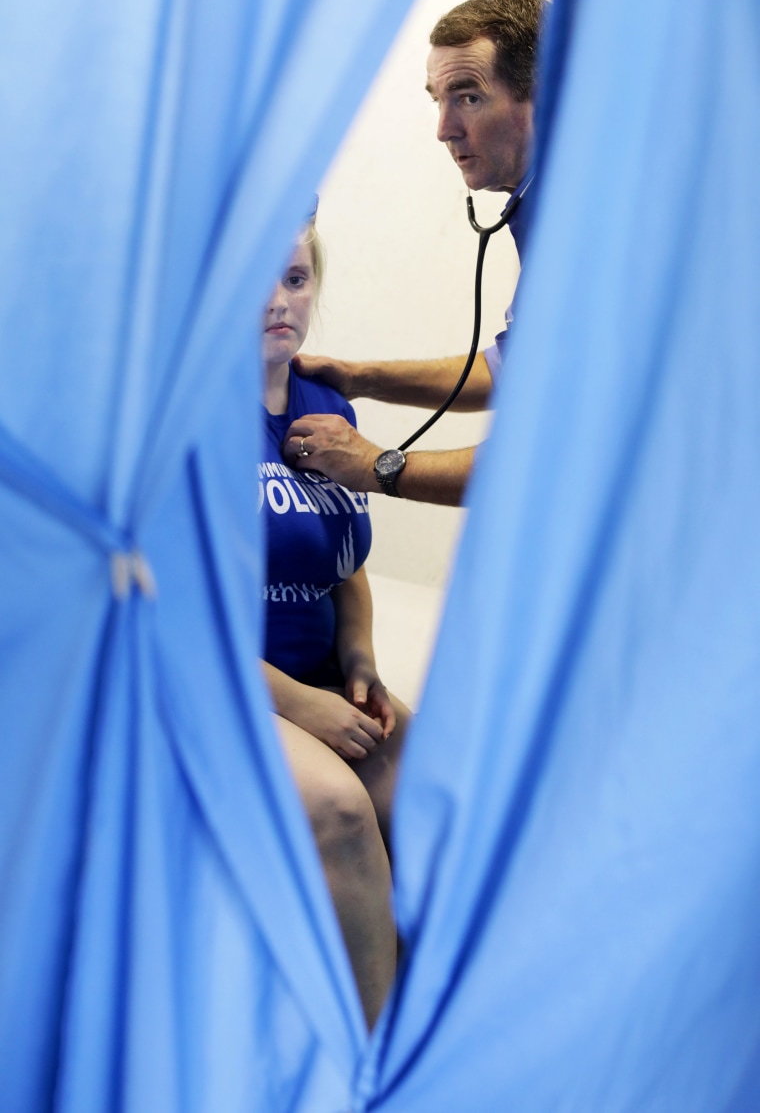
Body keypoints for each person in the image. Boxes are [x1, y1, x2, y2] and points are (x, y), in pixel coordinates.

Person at [282, 0, 547, 505]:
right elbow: (512, 367)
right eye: (438, 99)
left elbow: (542, 463)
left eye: (468, 96)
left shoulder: (589, 242)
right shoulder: (547, 210)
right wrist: (359, 377)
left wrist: (373, 465)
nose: (444, 129)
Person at [259, 216, 410, 1030]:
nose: (279, 301)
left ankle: (441, 1026)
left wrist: (359, 663)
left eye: (295, 279)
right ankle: (375, 1057)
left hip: (319, 681)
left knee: (433, 781)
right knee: (344, 810)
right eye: (256, 279)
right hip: (230, 685)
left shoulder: (326, 405)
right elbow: (165, 616)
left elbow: (347, 568)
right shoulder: (188, 419)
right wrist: (295, 700)